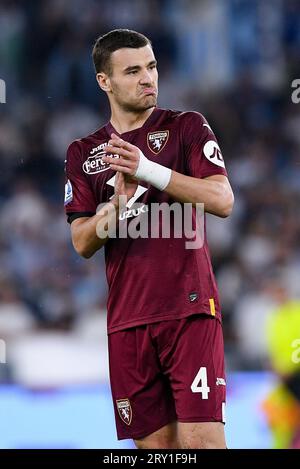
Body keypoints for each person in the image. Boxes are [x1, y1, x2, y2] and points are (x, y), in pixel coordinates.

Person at [64, 29, 234, 449]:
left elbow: (222, 198)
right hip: (128, 323)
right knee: (155, 453)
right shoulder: (83, 153)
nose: (148, 79)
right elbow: (82, 243)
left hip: (188, 311)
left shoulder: (186, 127)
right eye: (134, 70)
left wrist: (149, 171)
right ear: (105, 81)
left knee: (203, 445)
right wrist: (116, 211)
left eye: (152, 67)